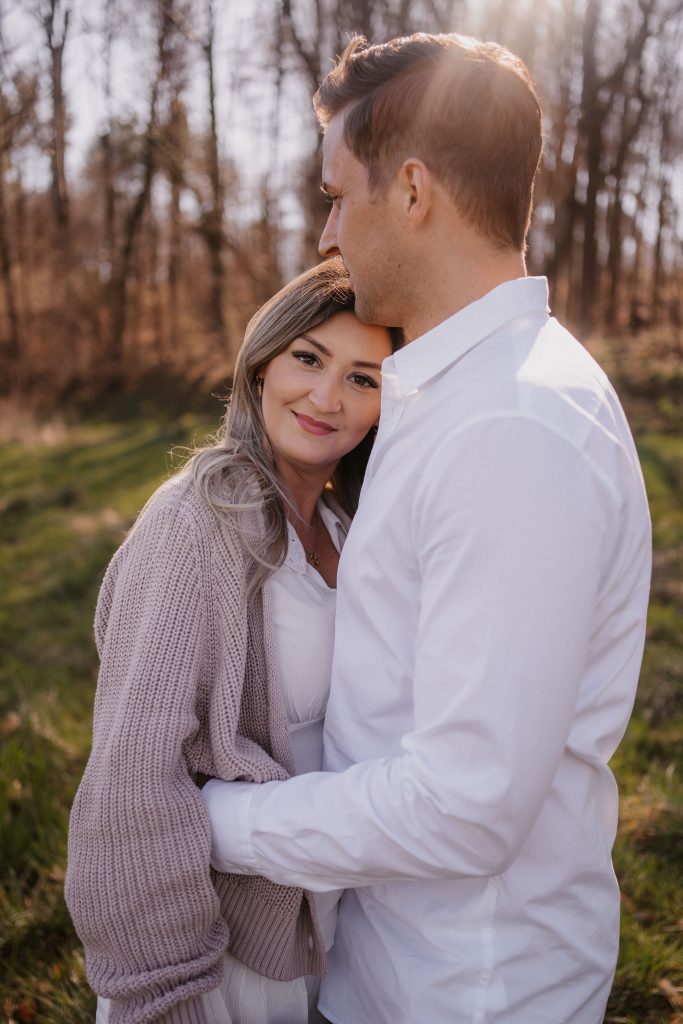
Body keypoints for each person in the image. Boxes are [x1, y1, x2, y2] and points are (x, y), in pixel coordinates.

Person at [201, 32, 653, 1024]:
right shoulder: (448, 393)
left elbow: (463, 803)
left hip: (465, 991)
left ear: (409, 191)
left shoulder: (512, 425)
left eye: (335, 193)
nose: (327, 232)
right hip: (388, 964)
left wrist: (213, 819)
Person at [64, 256, 396, 1024]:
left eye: (361, 377)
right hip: (215, 950)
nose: (325, 397)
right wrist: (167, 992)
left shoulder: (349, 527)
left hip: (317, 925)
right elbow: (129, 776)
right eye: (308, 359)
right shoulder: (199, 522)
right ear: (260, 364)